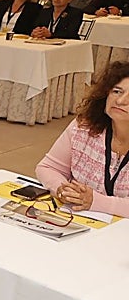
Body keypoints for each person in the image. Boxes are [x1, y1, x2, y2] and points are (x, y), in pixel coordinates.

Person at [35, 61, 129, 216]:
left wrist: (95, 202)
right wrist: (62, 189)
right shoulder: (85, 127)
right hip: (81, 223)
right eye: (117, 92)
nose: (120, 101)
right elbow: (48, 168)